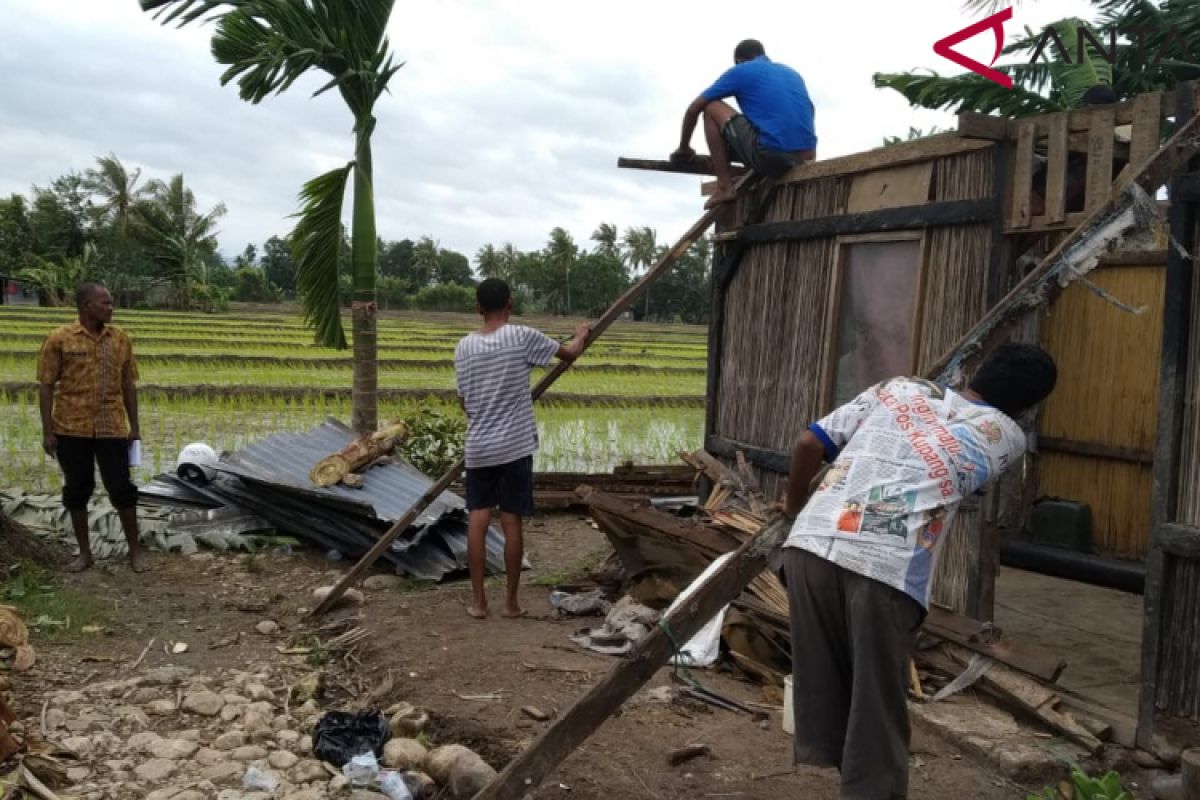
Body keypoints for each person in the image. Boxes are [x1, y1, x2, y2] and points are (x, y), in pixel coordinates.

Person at [777, 343, 1057, 799]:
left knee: (828, 684)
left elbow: (809, 443)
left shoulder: (901, 386)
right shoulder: (1008, 436)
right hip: (884, 568)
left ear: (978, 371)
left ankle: (843, 773)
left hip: (807, 547)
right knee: (877, 704)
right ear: (1028, 406)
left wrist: (792, 507)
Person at [454, 279, 589, 619]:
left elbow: (464, 402)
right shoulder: (521, 336)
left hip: (479, 446)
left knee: (478, 519)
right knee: (511, 520)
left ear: (478, 308)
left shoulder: (464, 347)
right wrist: (582, 333)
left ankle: (479, 602)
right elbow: (569, 354)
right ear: (510, 304)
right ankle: (511, 603)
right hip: (514, 446)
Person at [37, 282, 145, 573]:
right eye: (105, 303)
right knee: (77, 489)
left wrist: (134, 426)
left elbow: (128, 384)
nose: (111, 308)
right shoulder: (59, 339)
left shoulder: (121, 339)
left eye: (111, 303)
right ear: (87, 306)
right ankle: (85, 554)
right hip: (71, 428)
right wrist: (48, 431)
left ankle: (135, 552)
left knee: (122, 487)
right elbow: (46, 385)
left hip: (112, 426)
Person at [671, 38, 817, 209]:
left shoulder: (742, 70)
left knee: (711, 107)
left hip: (771, 154)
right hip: (807, 156)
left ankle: (724, 186)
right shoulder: (792, 73)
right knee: (762, 126)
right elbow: (806, 111)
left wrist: (684, 148)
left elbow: (693, 108)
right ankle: (739, 162)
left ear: (739, 61)